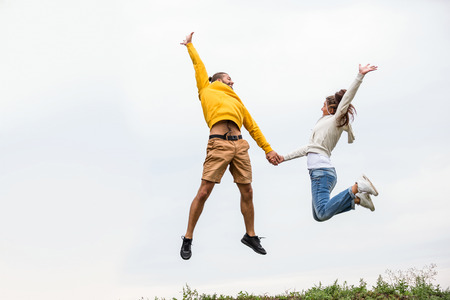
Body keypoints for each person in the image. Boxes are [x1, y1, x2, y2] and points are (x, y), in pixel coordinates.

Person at [179, 32, 280, 260]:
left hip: (240, 146)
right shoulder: (207, 89)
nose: (232, 81)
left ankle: (250, 235)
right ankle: (188, 238)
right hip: (219, 145)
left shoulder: (237, 101)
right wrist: (190, 46)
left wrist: (268, 149)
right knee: (204, 191)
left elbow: (252, 126)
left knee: (248, 190)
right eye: (228, 78)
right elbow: (199, 66)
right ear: (217, 80)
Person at [275, 64, 379, 221]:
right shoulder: (323, 124)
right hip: (321, 172)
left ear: (331, 108)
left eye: (323, 105)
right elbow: (309, 148)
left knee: (322, 213)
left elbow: (347, 98)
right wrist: (284, 157)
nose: (321, 108)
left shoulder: (335, 119)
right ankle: (357, 199)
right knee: (318, 215)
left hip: (321, 172)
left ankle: (357, 187)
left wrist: (360, 76)